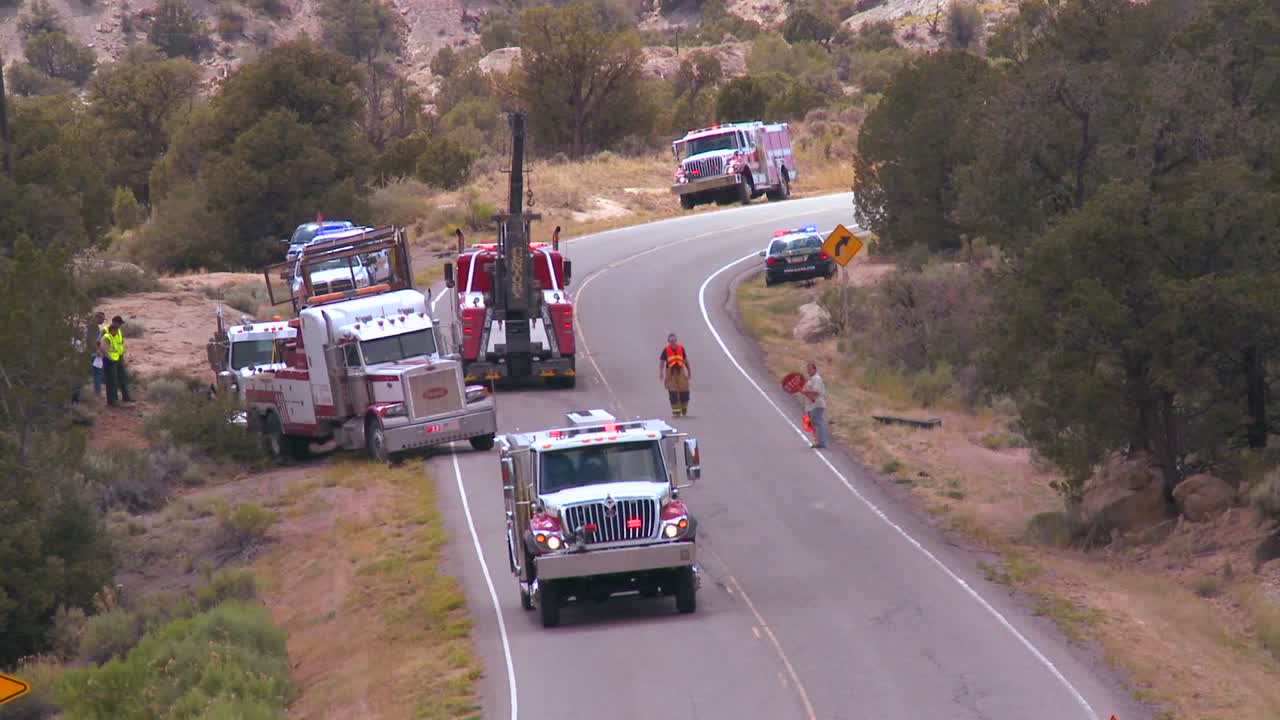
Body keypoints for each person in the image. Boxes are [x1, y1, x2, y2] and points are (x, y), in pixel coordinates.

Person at [99, 315, 133, 406]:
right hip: (109, 359)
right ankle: (112, 400)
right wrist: (107, 357)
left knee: (122, 377)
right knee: (111, 380)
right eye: (119, 323)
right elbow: (100, 345)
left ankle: (126, 397)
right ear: (114, 322)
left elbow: (120, 343)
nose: (120, 326)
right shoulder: (106, 331)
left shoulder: (118, 331)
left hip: (118, 357)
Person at [659, 333, 691, 416]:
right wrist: (661, 372)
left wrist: (689, 371)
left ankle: (684, 408)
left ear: (676, 340)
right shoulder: (665, 350)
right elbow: (662, 362)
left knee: (684, 391)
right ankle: (676, 411)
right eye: (671, 341)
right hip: (671, 373)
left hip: (680, 372)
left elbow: (685, 360)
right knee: (673, 392)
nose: (672, 342)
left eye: (674, 340)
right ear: (668, 341)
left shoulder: (681, 348)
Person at [800, 360, 828, 449]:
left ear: (814, 369)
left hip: (817, 404)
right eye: (807, 369)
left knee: (817, 423)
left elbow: (816, 391)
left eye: (810, 369)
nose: (808, 371)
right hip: (811, 405)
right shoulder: (811, 379)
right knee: (814, 423)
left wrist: (805, 391)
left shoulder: (817, 378)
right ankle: (820, 441)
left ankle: (821, 442)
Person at [87, 311, 106, 397]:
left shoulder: (95, 327)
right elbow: (92, 340)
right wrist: (97, 350)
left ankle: (96, 393)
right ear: (97, 318)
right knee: (97, 373)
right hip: (93, 354)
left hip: (93, 353)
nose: (103, 321)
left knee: (96, 373)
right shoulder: (93, 327)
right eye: (102, 319)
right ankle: (97, 394)